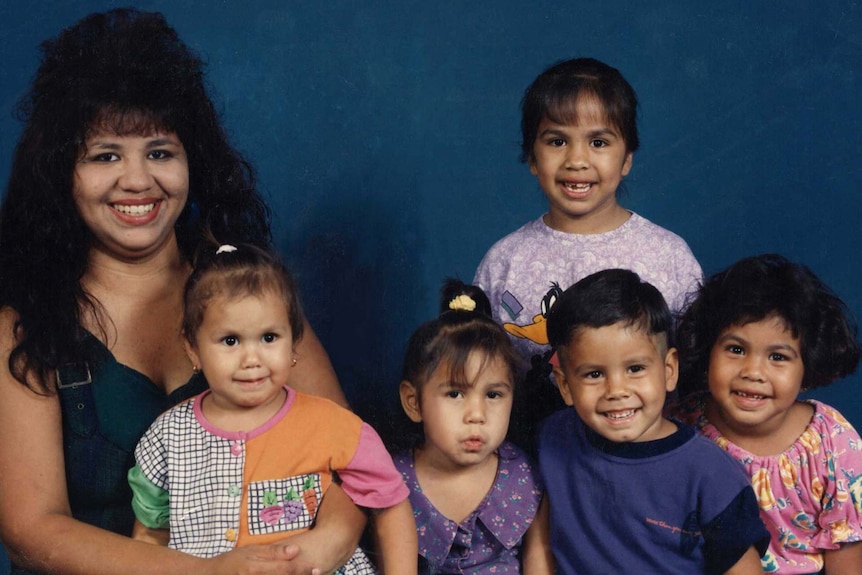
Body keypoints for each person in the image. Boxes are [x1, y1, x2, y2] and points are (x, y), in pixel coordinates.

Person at [0, 9, 363, 575]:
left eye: (160, 151)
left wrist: (328, 544)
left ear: (194, 161)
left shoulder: (248, 290)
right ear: (60, 173)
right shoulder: (25, 326)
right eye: (106, 155)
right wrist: (208, 573)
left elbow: (347, 461)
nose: (138, 180)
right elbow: (30, 531)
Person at [129, 244, 416, 574]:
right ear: (192, 348)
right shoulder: (168, 435)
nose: (252, 360)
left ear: (293, 341)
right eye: (230, 341)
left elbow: (390, 503)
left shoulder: (332, 425)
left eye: (269, 338)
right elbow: (149, 534)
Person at [473, 57, 702, 449]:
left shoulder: (668, 256)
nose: (577, 160)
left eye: (598, 142)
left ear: (627, 157)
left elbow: (697, 376)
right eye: (557, 141)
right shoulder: (505, 261)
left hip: (645, 462)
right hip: (537, 461)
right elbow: (477, 371)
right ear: (531, 157)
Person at [539, 269, 769, 574]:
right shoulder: (553, 437)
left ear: (669, 370)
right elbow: (540, 540)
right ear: (565, 385)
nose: (617, 391)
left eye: (635, 368)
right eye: (594, 374)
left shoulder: (711, 474)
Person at [672, 254, 862, 574]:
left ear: (808, 366)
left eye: (777, 356)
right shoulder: (680, 427)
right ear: (707, 350)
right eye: (736, 349)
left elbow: (847, 565)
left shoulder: (835, 445)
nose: (753, 371)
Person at [393, 279, 552, 574]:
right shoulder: (393, 479)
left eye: (493, 395)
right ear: (414, 402)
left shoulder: (526, 474)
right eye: (455, 394)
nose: (477, 414)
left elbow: (539, 560)